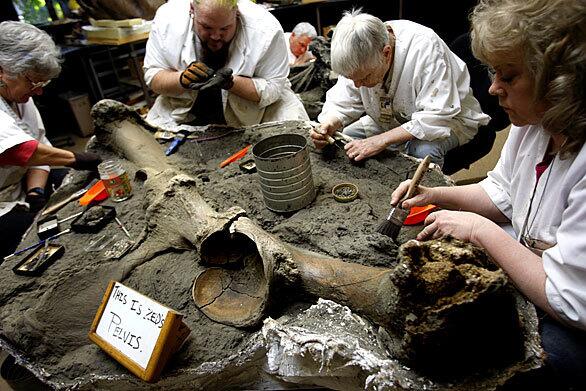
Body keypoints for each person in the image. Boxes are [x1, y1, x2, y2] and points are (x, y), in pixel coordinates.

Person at [390, 0, 586, 388]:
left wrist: (480, 231)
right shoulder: (534, 125)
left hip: (572, 319)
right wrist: (436, 195)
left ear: (561, 80)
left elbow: (571, 300)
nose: (493, 88)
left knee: (537, 366)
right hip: (537, 269)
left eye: (508, 76)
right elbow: (502, 195)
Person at [310, 10, 490, 167]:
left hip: (450, 119)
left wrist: (381, 140)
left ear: (386, 53)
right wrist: (330, 123)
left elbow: (436, 117)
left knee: (421, 152)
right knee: (345, 139)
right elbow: (344, 98)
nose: (357, 85)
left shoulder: (424, 49)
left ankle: (422, 202)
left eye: (364, 78)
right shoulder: (361, 52)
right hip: (392, 118)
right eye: (353, 79)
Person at [0, 21, 102, 258]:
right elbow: (20, 151)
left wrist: (36, 191)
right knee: (37, 238)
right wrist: (77, 158)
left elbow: (39, 144)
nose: (38, 91)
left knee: (80, 185)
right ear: (2, 71)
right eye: (32, 82)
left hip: (19, 184)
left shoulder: (18, 95)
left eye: (41, 83)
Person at [143, 0, 309, 130]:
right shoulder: (168, 20)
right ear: (192, 10)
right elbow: (153, 76)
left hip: (254, 110)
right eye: (206, 27)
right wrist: (181, 79)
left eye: (225, 28)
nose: (215, 36)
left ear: (237, 13)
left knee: (296, 128)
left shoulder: (265, 30)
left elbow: (274, 88)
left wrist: (231, 83)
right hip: (181, 107)